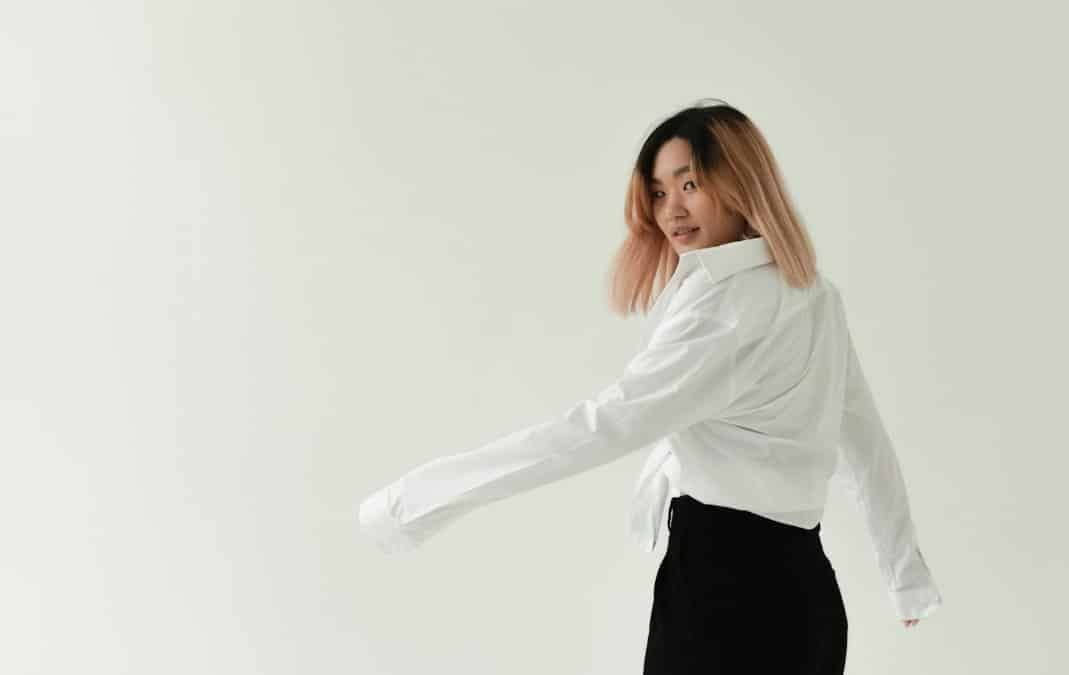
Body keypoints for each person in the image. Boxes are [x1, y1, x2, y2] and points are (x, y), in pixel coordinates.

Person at [358, 99, 943, 674]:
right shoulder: (813, 293)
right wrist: (905, 574)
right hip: (807, 595)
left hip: (723, 599)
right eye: (658, 193)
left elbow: (602, 428)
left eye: (690, 185)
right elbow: (864, 438)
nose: (671, 210)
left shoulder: (723, 306)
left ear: (740, 182)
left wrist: (414, 502)